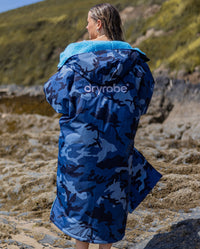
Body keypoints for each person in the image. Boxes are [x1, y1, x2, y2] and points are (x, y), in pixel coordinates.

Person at [44, 3, 162, 249]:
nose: (86, 26)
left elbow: (54, 97)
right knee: (110, 205)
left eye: (88, 21)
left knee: (81, 206)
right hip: (117, 148)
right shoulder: (137, 65)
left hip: (79, 152)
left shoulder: (73, 63)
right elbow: (142, 103)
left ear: (98, 24)